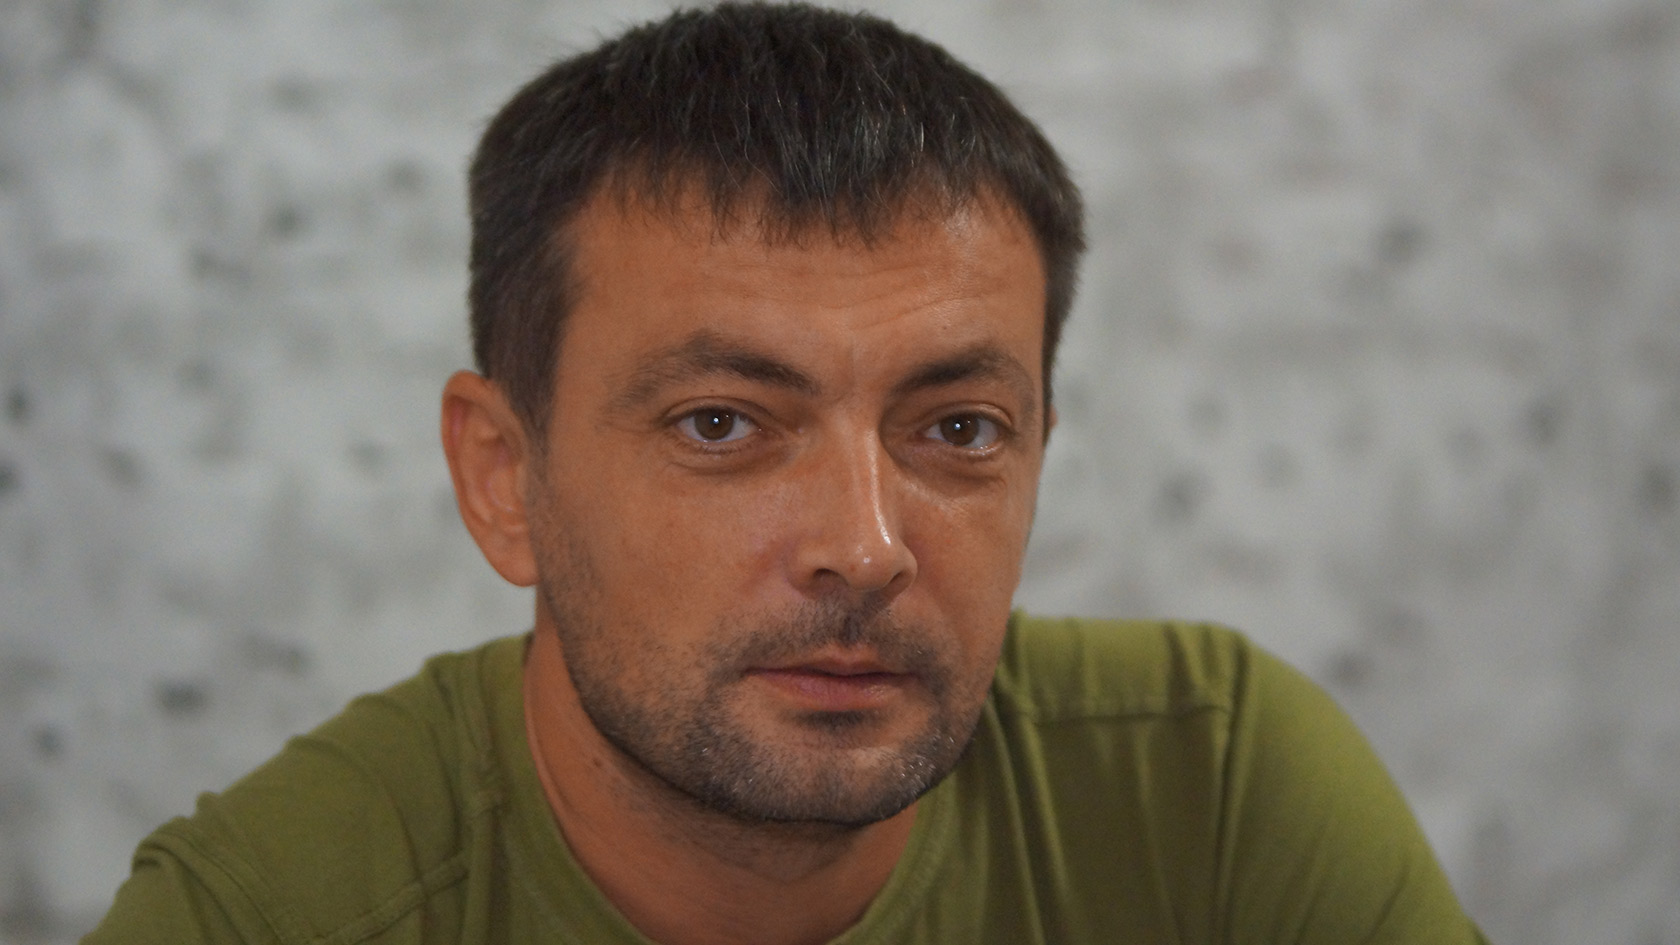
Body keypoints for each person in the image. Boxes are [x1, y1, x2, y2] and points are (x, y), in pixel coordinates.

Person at [84, 4, 1488, 943]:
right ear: (505, 478)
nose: (865, 548)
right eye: (721, 424)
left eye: (958, 430)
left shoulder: (1212, 792)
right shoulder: (266, 918)